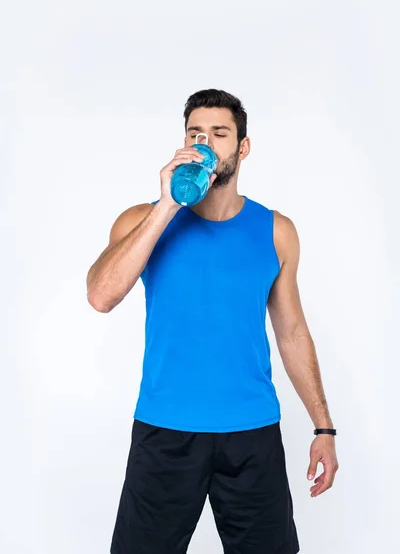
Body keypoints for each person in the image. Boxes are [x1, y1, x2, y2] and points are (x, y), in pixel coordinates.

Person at [86, 89, 339, 554]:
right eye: (195, 133)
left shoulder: (276, 230)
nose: (205, 142)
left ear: (242, 148)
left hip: (251, 433)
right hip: (165, 429)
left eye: (219, 134)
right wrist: (167, 204)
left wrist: (323, 428)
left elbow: (292, 332)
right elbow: (101, 295)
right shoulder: (143, 221)